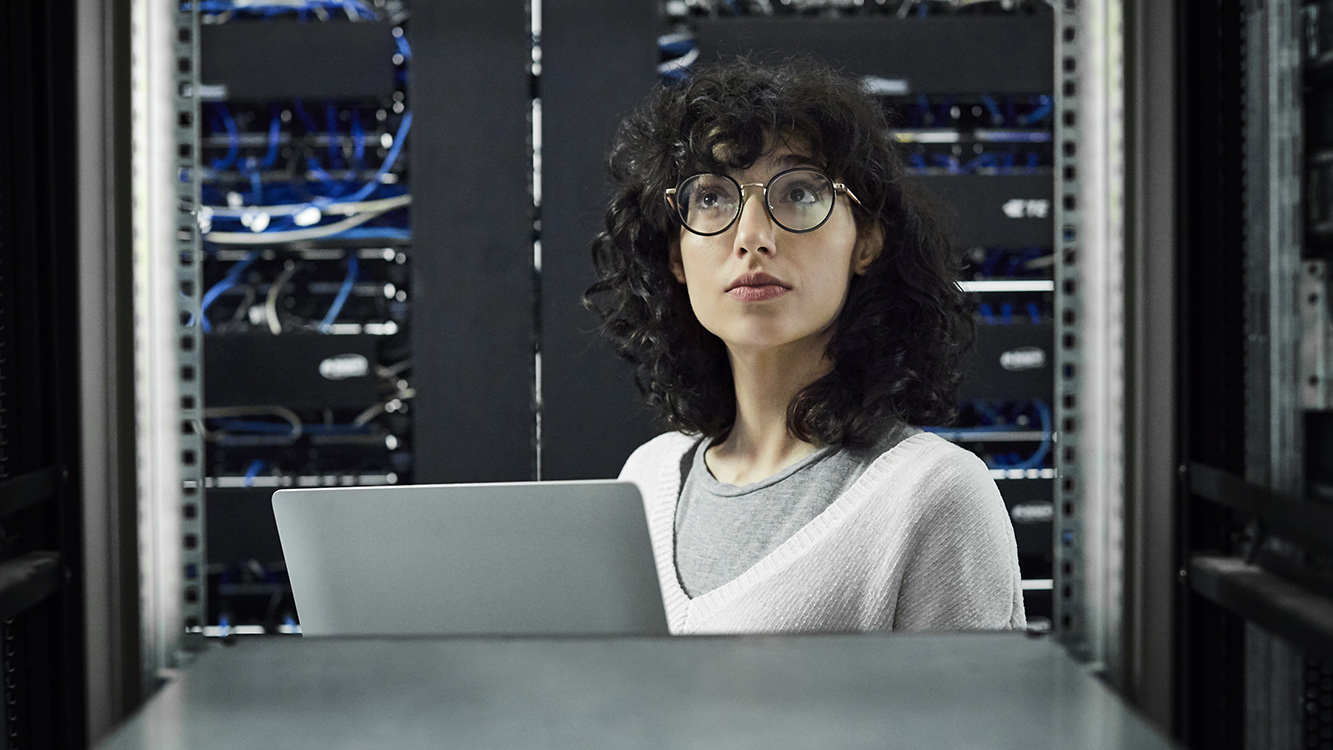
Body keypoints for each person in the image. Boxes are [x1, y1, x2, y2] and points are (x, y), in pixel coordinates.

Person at [585, 59, 1025, 634]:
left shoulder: (934, 495)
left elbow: (979, 726)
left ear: (865, 241)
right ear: (676, 257)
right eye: (713, 198)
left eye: (797, 193)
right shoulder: (646, 478)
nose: (751, 238)